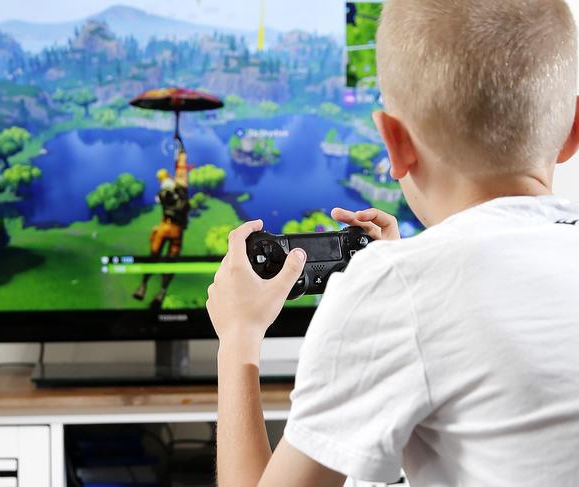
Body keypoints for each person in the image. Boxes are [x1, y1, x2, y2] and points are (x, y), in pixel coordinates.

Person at [205, 0, 579, 485]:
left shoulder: (396, 292)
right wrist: (405, 274)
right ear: (573, 129)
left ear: (394, 143)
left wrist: (237, 337)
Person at [133, 148, 191, 309]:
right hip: (171, 228)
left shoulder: (169, 191)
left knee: (160, 258)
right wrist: (181, 156)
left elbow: (181, 170)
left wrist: (181, 155)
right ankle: (148, 286)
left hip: (170, 228)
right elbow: (181, 171)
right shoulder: (172, 190)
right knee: (158, 257)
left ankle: (155, 288)